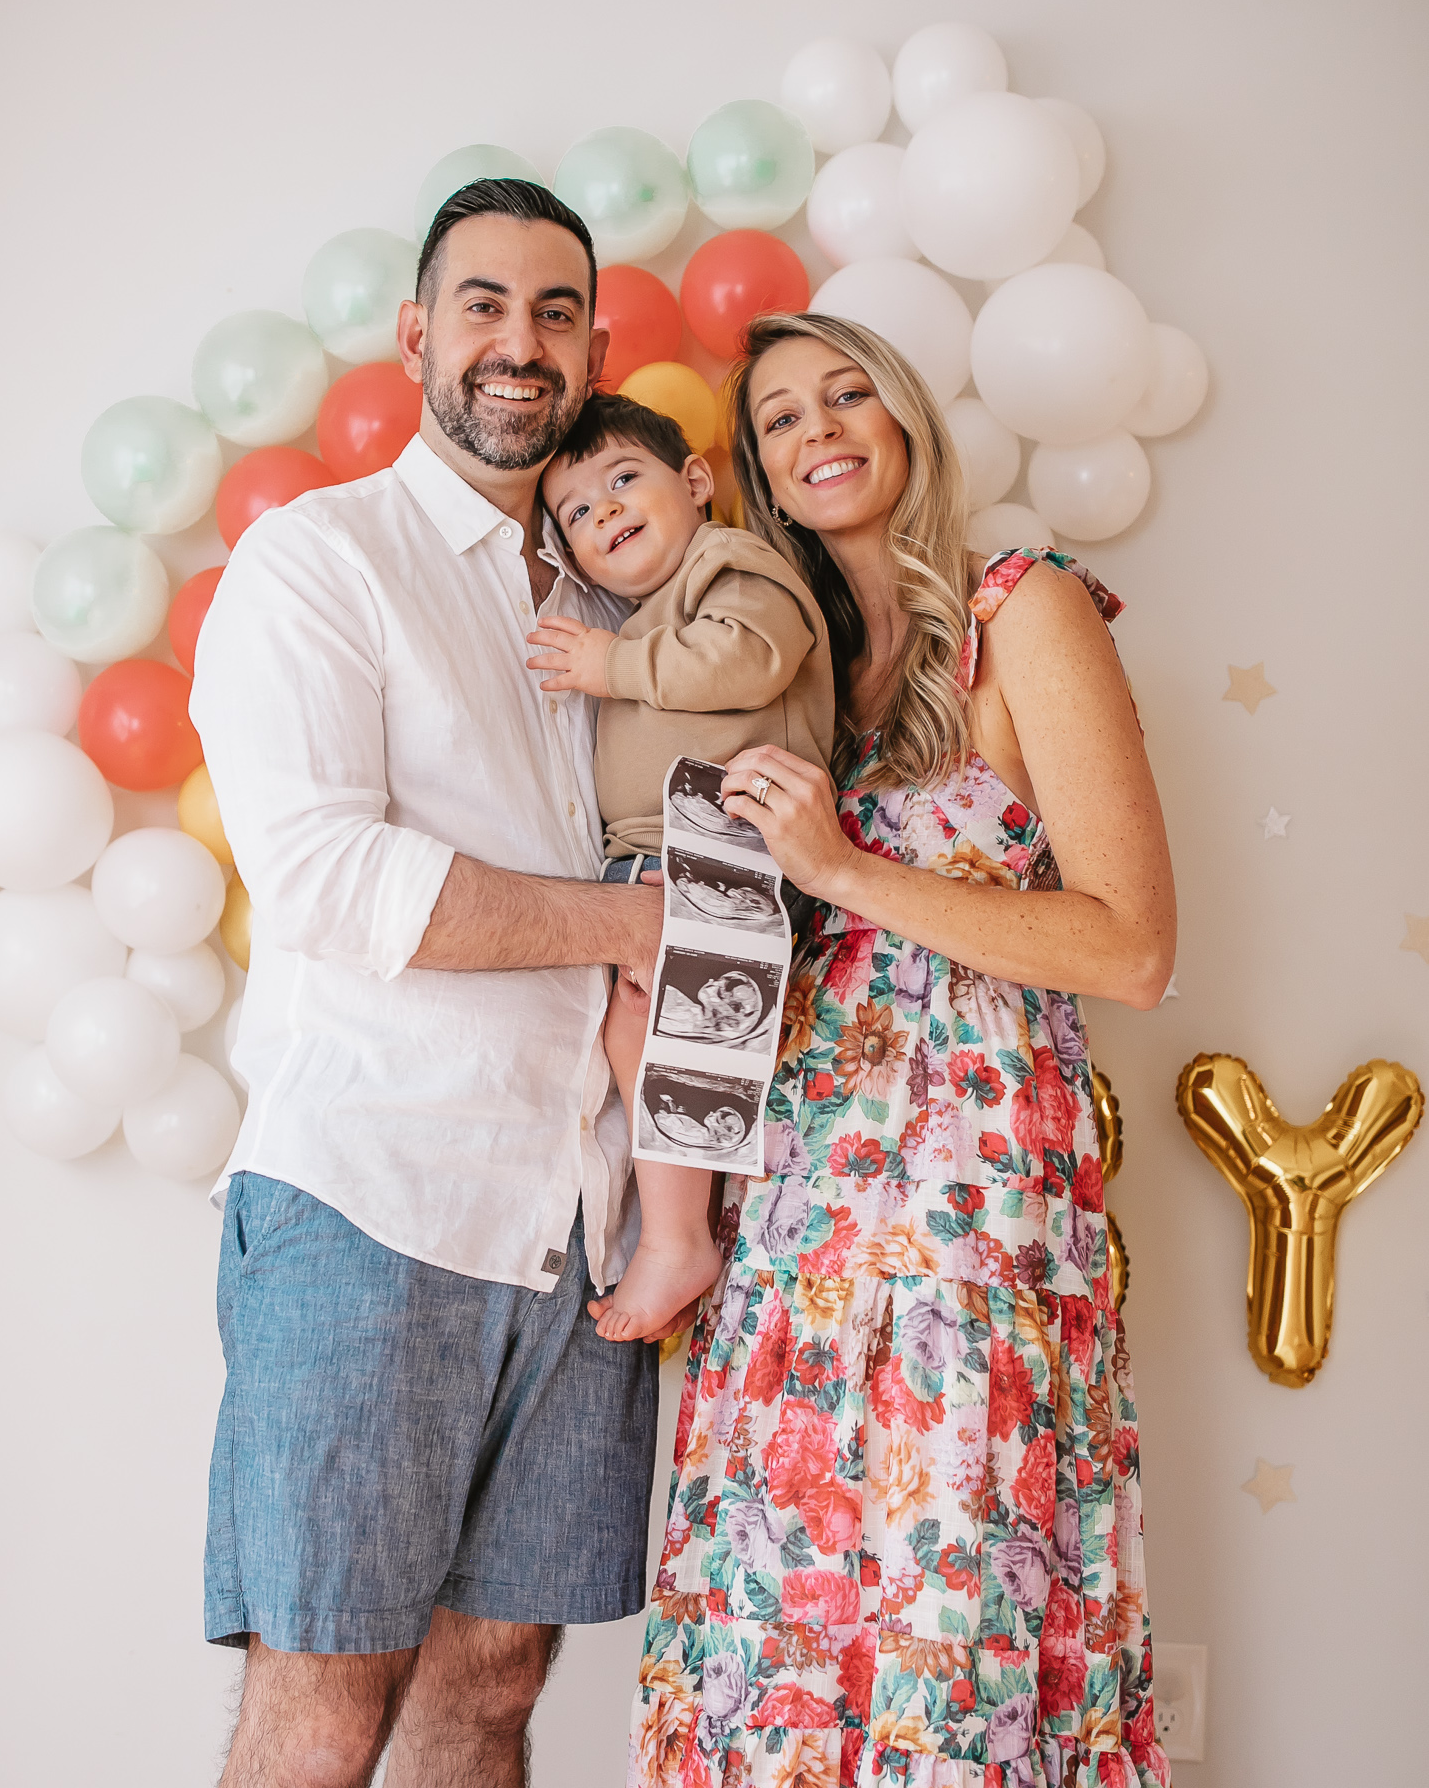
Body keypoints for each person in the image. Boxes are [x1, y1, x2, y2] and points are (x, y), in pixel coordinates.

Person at [629, 312, 1176, 1787]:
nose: (820, 430)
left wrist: (847, 869)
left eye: (848, 394)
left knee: (956, 1622)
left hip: (967, 1214)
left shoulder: (1023, 611)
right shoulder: (787, 676)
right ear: (752, 468)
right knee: (777, 1636)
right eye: (783, 417)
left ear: (909, 420)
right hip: (795, 1222)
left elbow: (1130, 946)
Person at [190, 179, 676, 1788]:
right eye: (483, 305)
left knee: (486, 1700)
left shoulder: (621, 596)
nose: (519, 344)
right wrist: (622, 928)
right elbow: (324, 875)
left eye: (554, 313)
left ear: (594, 344)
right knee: (324, 1710)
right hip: (370, 1199)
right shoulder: (322, 563)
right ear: (418, 334)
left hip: (577, 1222)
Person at [526, 392, 834, 1343]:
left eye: (625, 480)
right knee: (640, 1028)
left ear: (696, 482)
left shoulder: (730, 564)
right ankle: (676, 1228)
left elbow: (748, 660)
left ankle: (675, 1239)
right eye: (577, 511)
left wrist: (612, 665)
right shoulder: (652, 613)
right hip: (669, 856)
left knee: (674, 1035)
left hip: (733, 841)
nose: (606, 510)